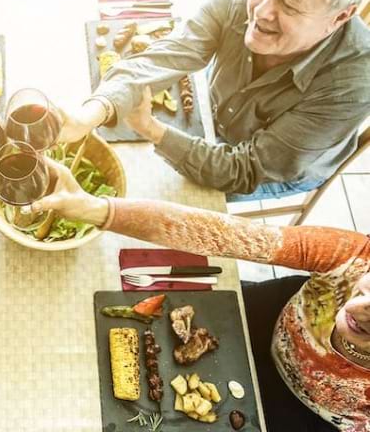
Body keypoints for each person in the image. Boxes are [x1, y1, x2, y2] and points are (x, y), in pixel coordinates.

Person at [33, 160, 370, 431]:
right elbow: (224, 234)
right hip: (268, 321)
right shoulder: (353, 254)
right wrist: (97, 210)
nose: (362, 306)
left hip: (304, 418)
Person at [62, 0, 370, 201]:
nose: (261, 11)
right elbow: (168, 54)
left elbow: (243, 170)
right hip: (218, 116)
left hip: (272, 169)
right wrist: (88, 115)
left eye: (289, 4)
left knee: (180, 204)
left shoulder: (353, 86)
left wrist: (151, 129)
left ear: (340, 17)